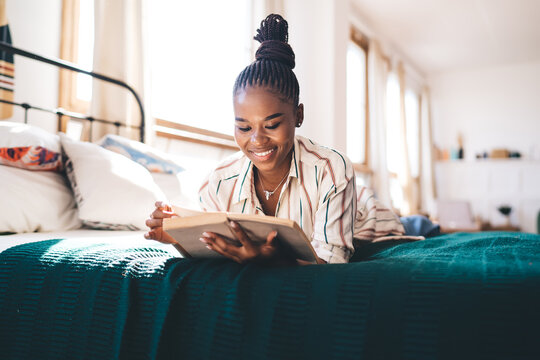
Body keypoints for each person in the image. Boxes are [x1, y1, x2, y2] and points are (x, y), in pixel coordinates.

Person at [145, 14, 405, 265]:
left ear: (298, 115)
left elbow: (331, 264)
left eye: (271, 124)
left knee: (420, 224)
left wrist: (276, 262)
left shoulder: (331, 169)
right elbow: (215, 247)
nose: (258, 139)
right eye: (244, 127)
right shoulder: (217, 182)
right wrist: (176, 235)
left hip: (367, 220)